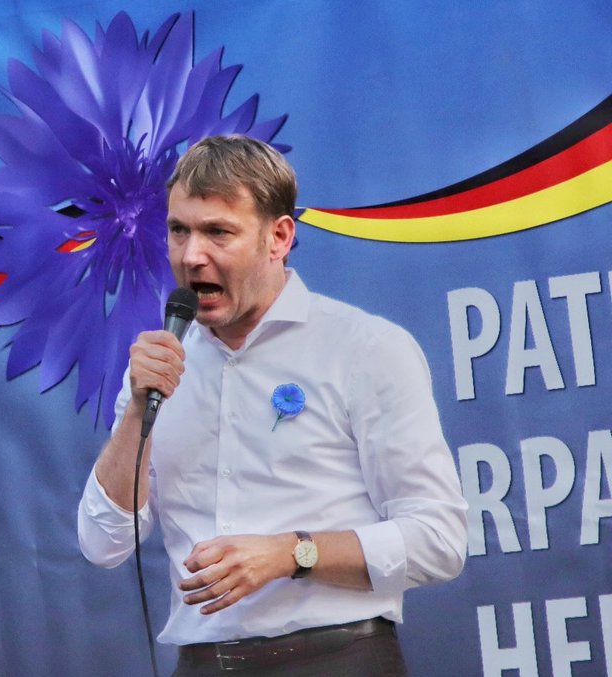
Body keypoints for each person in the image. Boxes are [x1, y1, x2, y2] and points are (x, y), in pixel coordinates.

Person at [77, 135, 467, 676]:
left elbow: (439, 540)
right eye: (178, 230)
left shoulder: (365, 349)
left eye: (218, 232)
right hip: (202, 663)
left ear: (278, 237)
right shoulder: (160, 368)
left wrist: (291, 553)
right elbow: (103, 543)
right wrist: (138, 411)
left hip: (339, 659)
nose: (192, 255)